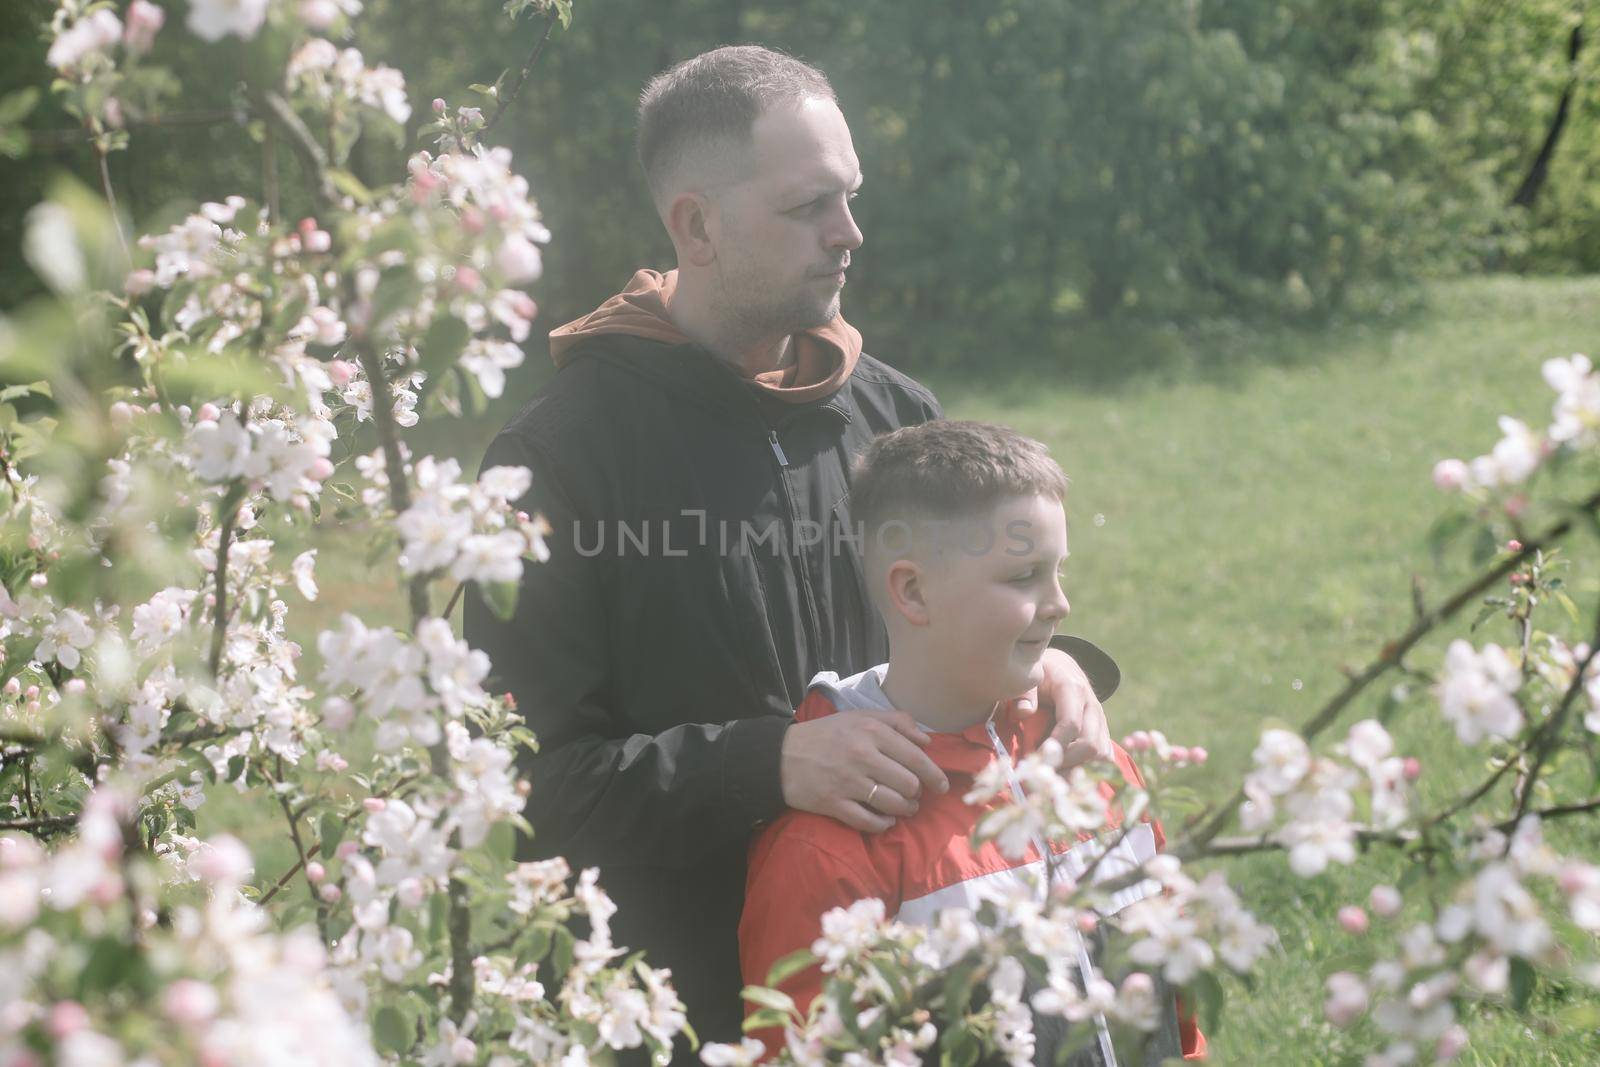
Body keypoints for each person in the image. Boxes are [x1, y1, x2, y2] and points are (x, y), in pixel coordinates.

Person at [463, 45, 1115, 1045]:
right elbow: (518, 795)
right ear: (696, 224)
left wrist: (1055, 667)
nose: (848, 232)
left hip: (919, 998)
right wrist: (766, 762)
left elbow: (945, 630)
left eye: (849, 196)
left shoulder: (892, 413)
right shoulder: (557, 462)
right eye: (808, 206)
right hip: (684, 1017)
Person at [739, 421, 1205, 1064]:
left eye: (1058, 571)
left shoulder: (1090, 763)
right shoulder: (834, 845)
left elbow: (1172, 987)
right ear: (914, 591)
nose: (1060, 604)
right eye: (1024, 578)